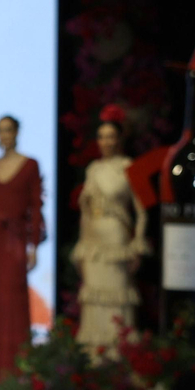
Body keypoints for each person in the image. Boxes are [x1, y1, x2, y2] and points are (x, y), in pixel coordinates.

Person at [0, 115, 45, 384]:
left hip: (14, 242)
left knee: (12, 300)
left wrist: (33, 244)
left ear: (17, 132)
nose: (5, 135)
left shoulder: (30, 165)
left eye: (9, 130)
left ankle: (15, 370)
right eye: (0, 131)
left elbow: (36, 206)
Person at [72, 110, 148, 352]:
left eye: (110, 136)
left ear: (119, 139)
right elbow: (85, 213)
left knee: (117, 300)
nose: (105, 141)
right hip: (93, 244)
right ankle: (96, 362)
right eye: (101, 136)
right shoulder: (93, 169)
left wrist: (138, 244)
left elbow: (142, 210)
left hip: (117, 242)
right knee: (93, 301)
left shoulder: (128, 167)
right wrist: (82, 249)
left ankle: (119, 361)